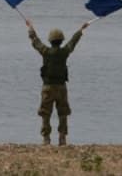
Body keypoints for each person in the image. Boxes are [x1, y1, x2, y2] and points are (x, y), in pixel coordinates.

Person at [25, 18, 90, 146]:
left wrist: (30, 28)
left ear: (50, 40)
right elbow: (72, 42)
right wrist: (80, 30)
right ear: (61, 41)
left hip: (48, 87)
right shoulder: (64, 52)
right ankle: (62, 138)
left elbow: (36, 42)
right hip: (61, 87)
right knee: (63, 112)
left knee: (45, 113)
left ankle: (46, 139)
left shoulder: (46, 52)